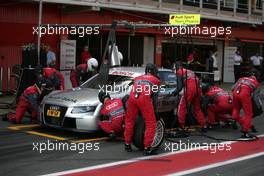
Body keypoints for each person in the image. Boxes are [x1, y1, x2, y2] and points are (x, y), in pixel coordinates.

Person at [124, 63, 160, 155]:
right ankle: (147, 147)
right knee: (151, 123)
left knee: (129, 121)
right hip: (144, 99)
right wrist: (155, 111)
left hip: (132, 98)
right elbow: (155, 98)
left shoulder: (137, 78)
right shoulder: (156, 80)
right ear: (154, 71)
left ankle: (127, 144)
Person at [232, 73, 260, 139]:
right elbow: (255, 98)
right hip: (245, 95)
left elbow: (232, 88)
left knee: (236, 108)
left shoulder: (242, 78)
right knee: (249, 114)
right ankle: (245, 132)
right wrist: (258, 106)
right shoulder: (256, 83)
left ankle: (234, 120)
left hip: (235, 93)